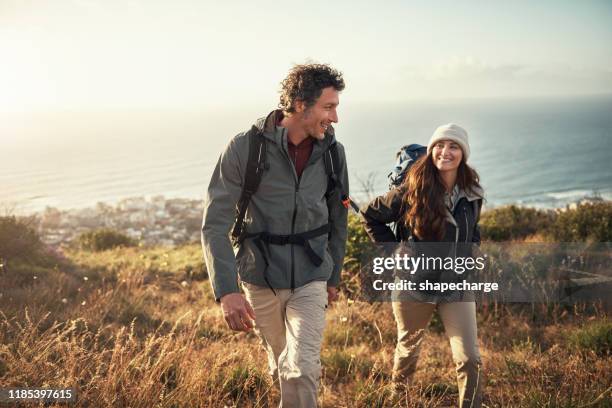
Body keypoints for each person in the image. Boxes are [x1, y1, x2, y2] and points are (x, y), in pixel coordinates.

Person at [201, 63, 349, 407]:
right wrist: (226, 291)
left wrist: (334, 275)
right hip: (259, 276)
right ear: (300, 104)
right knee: (281, 362)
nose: (336, 118)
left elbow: (337, 219)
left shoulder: (332, 153)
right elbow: (214, 225)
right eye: (329, 107)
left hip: (312, 274)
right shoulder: (244, 148)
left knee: (301, 367)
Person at [361, 124, 484, 407]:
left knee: (470, 358)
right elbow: (370, 214)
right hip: (414, 285)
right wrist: (394, 250)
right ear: (431, 151)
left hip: (456, 286)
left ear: (463, 153)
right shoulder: (412, 188)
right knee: (408, 353)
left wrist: (472, 254)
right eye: (439, 145)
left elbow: (473, 229)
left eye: (453, 146)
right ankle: (397, 401)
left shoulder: (472, 191)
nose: (445, 152)